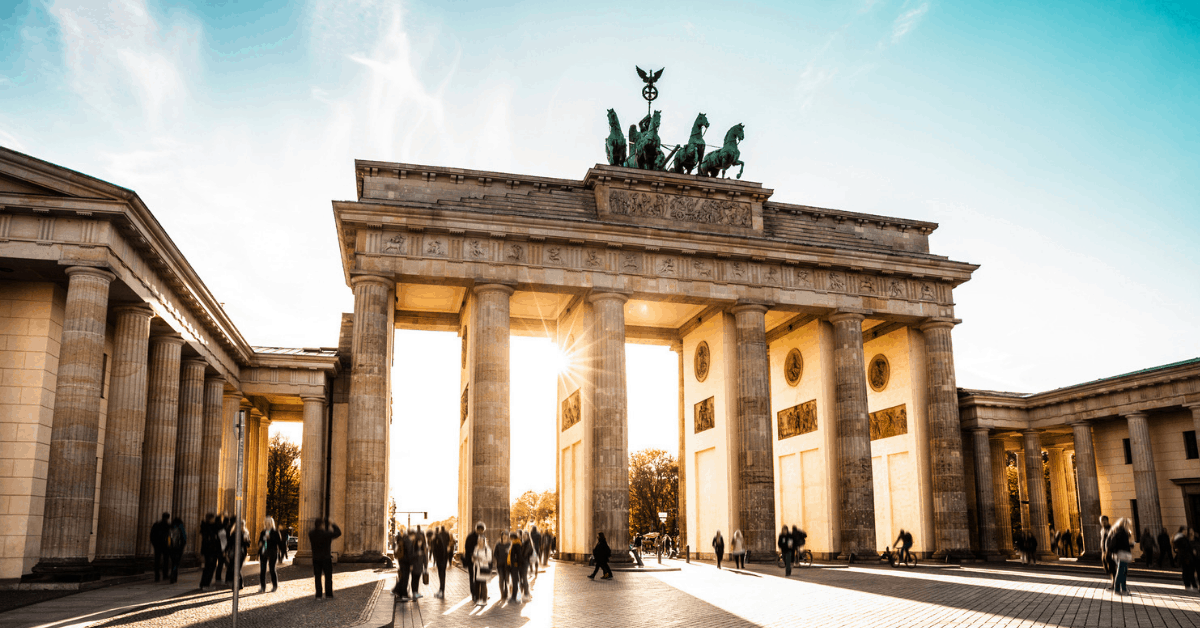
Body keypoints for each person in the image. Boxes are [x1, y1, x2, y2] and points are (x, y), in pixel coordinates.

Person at [309, 518, 341, 599]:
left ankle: (318, 595)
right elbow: (338, 533)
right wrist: (332, 524)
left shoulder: (311, 533)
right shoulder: (327, 534)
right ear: (322, 525)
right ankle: (328, 594)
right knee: (328, 577)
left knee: (317, 577)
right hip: (326, 558)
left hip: (316, 558)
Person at [258, 516, 285, 593]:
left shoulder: (275, 532)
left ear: (271, 523)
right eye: (266, 522)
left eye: (269, 522)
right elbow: (259, 541)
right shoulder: (263, 532)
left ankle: (274, 585)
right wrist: (260, 543)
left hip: (272, 552)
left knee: (272, 569)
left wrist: (270, 537)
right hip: (263, 552)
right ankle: (262, 587)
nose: (267, 524)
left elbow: (279, 543)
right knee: (262, 570)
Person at [469, 526, 493, 607]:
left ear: (484, 541)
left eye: (481, 541)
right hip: (477, 568)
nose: (479, 542)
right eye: (478, 541)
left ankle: (484, 600)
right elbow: (473, 559)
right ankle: (479, 599)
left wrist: (480, 559)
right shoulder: (476, 548)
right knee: (477, 584)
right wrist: (474, 558)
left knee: (483, 585)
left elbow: (489, 560)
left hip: (484, 568)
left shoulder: (488, 549)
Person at [464, 522, 486, 605]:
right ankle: (474, 594)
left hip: (479, 561)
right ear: (476, 529)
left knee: (479, 577)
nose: (481, 532)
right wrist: (473, 555)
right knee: (472, 577)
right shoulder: (470, 537)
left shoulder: (482, 536)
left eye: (482, 530)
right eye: (479, 530)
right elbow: (467, 548)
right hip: (471, 560)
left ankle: (479, 594)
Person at [1109, 518, 1133, 594]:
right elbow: (1118, 544)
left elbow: (1121, 544)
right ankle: (1118, 589)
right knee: (1121, 572)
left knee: (1123, 572)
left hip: (1122, 554)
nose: (1128, 526)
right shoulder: (1120, 533)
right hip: (1121, 554)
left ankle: (1123, 589)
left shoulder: (1121, 532)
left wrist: (1129, 545)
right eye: (1127, 524)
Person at [199, 513, 222, 590]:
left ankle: (204, 584)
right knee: (209, 567)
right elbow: (206, 541)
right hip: (210, 551)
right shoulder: (208, 528)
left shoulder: (207, 527)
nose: (214, 520)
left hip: (210, 550)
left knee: (209, 567)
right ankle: (205, 584)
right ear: (210, 519)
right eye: (213, 518)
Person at [225, 518, 249, 590]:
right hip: (235, 552)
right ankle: (239, 584)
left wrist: (245, 540)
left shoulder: (244, 533)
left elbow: (248, 544)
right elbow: (229, 543)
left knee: (237, 568)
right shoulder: (234, 533)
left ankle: (237, 584)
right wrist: (225, 551)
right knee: (236, 568)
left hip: (240, 553)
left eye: (242, 525)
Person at [150, 512, 171, 582]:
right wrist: (169, 545)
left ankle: (157, 576)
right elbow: (169, 537)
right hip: (165, 545)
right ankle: (165, 575)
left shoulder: (156, 525)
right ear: (168, 518)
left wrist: (154, 544)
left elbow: (152, 535)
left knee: (157, 560)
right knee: (165, 561)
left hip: (157, 545)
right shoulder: (168, 526)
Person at [431, 526, 450, 599]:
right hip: (444, 558)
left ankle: (441, 591)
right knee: (442, 575)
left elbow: (437, 549)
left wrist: (437, 559)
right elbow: (447, 544)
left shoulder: (437, 538)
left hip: (441, 559)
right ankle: (441, 590)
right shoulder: (445, 535)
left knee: (441, 575)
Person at [507, 532, 526, 602]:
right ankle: (515, 595)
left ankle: (514, 597)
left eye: (510, 538)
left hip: (515, 566)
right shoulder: (516, 543)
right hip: (515, 565)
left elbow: (518, 556)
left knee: (515, 581)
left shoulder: (516, 544)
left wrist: (515, 563)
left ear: (512, 538)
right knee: (515, 580)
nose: (510, 539)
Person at [168, 516, 187, 584]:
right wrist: (182, 546)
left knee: (173, 562)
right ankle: (173, 575)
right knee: (176, 562)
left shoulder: (171, 528)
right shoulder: (181, 527)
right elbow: (184, 538)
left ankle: (173, 574)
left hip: (171, 548)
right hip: (178, 548)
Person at [494, 531, 511, 600]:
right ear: (501, 536)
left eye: (506, 535)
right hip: (500, 565)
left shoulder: (510, 544)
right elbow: (495, 554)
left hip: (508, 565)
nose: (504, 536)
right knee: (501, 579)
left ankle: (506, 594)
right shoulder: (498, 544)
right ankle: (502, 594)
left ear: (508, 536)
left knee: (507, 579)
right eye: (503, 535)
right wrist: (499, 559)